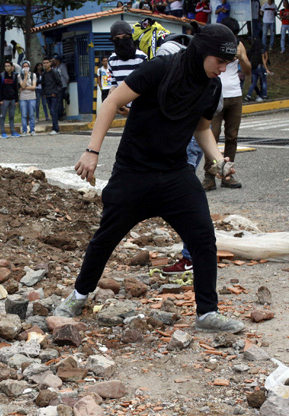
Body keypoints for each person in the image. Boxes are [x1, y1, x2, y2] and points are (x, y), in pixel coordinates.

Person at [56, 24, 246, 334]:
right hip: (134, 173)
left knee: (203, 239)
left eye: (228, 63)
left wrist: (218, 160)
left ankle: (207, 313)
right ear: (201, 52)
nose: (223, 68)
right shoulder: (160, 68)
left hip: (175, 174)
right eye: (219, 61)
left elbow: (201, 129)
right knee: (105, 239)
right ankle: (78, 297)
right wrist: (92, 151)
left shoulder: (212, 86)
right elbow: (111, 103)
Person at [203, 18, 251, 191]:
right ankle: (209, 175)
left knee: (232, 136)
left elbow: (247, 70)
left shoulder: (238, 45)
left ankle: (227, 174)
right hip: (217, 95)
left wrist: (242, 58)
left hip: (235, 94)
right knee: (212, 136)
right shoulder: (215, 45)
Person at [108, 21, 148, 116]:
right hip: (125, 109)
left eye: (125, 38)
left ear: (131, 37)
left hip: (143, 110)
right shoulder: (112, 60)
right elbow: (114, 84)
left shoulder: (142, 58)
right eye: (117, 39)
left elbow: (146, 89)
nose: (121, 41)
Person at [0, 60, 20, 138]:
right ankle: (3, 131)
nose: (7, 67)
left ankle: (13, 131)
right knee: (3, 116)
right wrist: (0, 99)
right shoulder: (1, 76)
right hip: (4, 99)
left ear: (12, 67)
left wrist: (16, 99)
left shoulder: (14, 76)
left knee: (11, 116)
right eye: (5, 66)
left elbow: (16, 88)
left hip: (12, 99)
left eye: (8, 66)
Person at [42, 58, 62, 135]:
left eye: (47, 63)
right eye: (44, 63)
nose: (45, 64)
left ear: (50, 63)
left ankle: (55, 128)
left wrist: (56, 92)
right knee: (51, 111)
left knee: (54, 111)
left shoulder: (54, 72)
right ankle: (54, 128)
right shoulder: (44, 74)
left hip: (54, 95)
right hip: (47, 95)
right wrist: (44, 93)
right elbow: (43, 84)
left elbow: (59, 83)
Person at [18, 60, 37, 137]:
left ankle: (32, 130)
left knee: (32, 114)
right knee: (24, 115)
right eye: (24, 66)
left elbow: (34, 87)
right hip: (23, 97)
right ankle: (24, 130)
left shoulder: (33, 75)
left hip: (32, 97)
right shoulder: (19, 76)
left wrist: (25, 87)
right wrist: (25, 77)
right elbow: (22, 86)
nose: (25, 68)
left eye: (27, 66)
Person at [52, 55, 69, 119]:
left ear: (58, 61)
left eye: (55, 60)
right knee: (59, 100)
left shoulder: (62, 67)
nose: (54, 61)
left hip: (62, 85)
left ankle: (60, 114)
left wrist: (66, 83)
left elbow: (66, 76)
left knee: (60, 100)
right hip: (58, 86)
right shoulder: (56, 67)